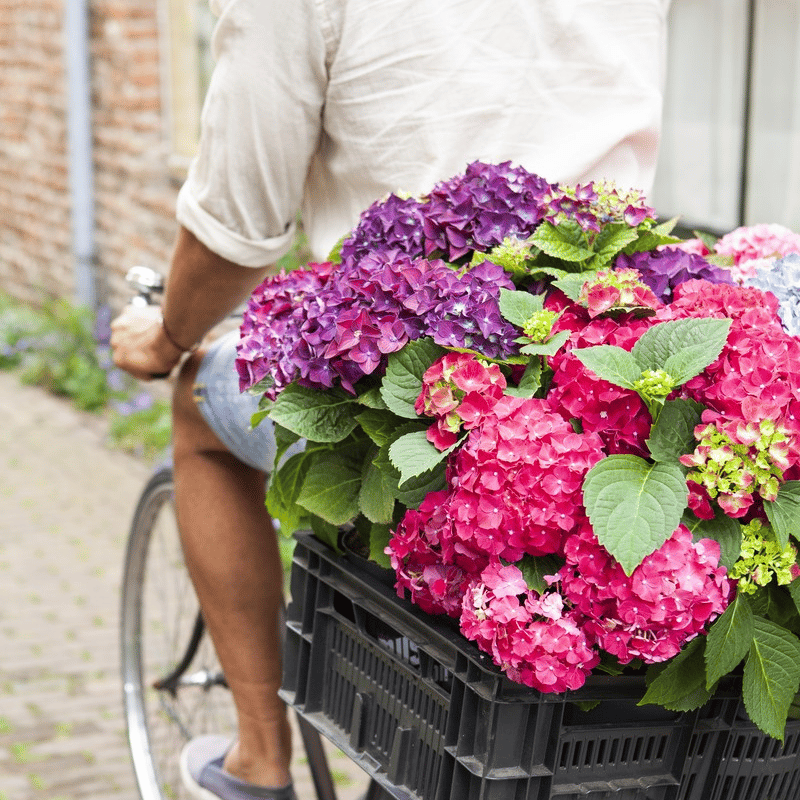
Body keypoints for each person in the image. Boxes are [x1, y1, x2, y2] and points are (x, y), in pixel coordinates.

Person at [111, 1, 672, 798]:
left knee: (196, 401)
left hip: (412, 379)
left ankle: (257, 759)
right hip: (600, 350)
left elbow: (235, 231)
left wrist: (168, 337)